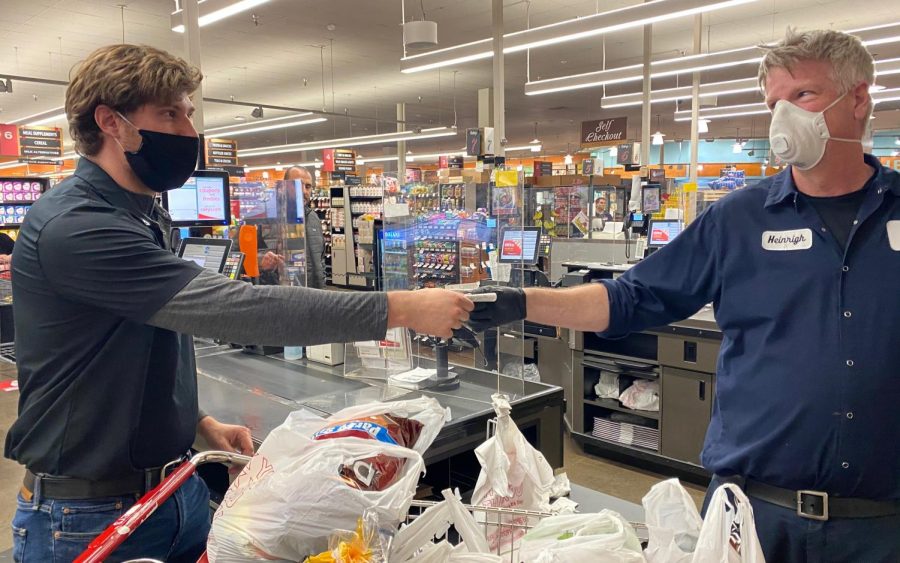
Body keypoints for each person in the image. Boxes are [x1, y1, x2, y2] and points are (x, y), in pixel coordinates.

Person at [5, 44, 473, 562]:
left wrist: (198, 423)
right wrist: (399, 308)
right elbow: (238, 307)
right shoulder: (76, 227)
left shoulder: (143, 215)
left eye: (188, 113)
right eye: (168, 113)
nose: (188, 131)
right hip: (89, 515)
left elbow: (138, 348)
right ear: (110, 122)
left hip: (176, 487)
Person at [468, 29, 900, 562]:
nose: (783, 117)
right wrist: (519, 302)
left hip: (881, 526)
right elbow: (628, 298)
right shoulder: (737, 220)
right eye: (773, 103)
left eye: (802, 96)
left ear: (859, 98)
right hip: (752, 517)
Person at [284, 165, 327, 289]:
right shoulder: (267, 218)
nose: (304, 191)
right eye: (297, 185)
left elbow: (320, 258)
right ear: (284, 186)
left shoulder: (313, 218)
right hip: (283, 298)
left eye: (308, 186)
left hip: (315, 295)